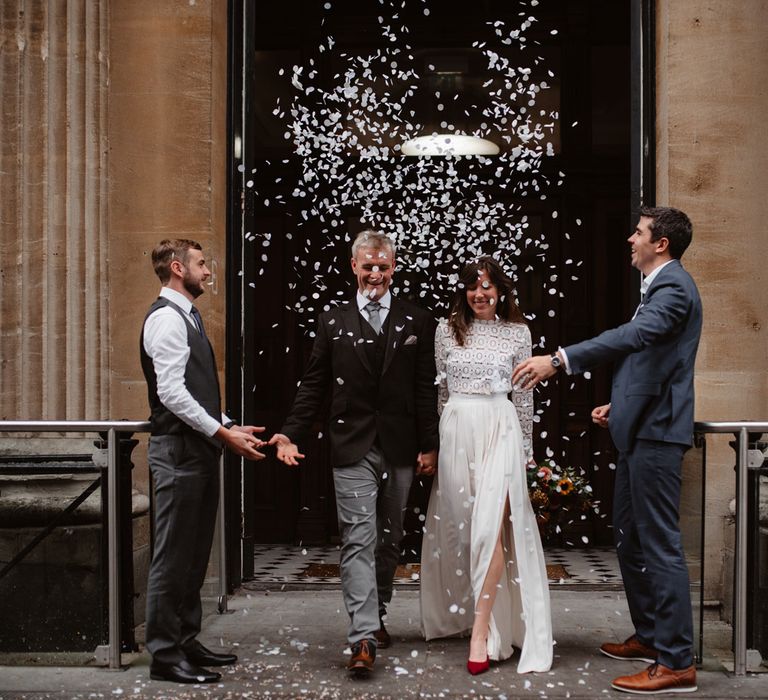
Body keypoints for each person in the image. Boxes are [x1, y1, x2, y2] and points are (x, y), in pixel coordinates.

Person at [512, 206, 702, 695]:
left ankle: (677, 660)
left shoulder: (674, 286)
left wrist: (561, 359)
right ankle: (651, 636)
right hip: (638, 425)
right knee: (631, 538)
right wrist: (620, 404)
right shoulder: (658, 287)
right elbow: (651, 359)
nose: (630, 239)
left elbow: (637, 337)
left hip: (658, 433)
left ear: (660, 244)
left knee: (658, 544)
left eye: (638, 233)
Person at [269, 229, 439, 677]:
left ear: (394, 267)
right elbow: (313, 385)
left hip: (401, 446)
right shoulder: (333, 321)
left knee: (390, 539)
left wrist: (431, 445)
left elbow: (425, 390)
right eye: (368, 266)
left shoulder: (418, 320)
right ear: (354, 267)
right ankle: (362, 636)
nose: (376, 274)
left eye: (383, 266)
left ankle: (377, 614)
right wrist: (290, 434)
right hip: (351, 447)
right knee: (358, 538)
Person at [140, 239, 266, 684]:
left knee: (193, 556)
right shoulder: (167, 321)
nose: (209, 271)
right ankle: (164, 654)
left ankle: (186, 639)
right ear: (178, 268)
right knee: (172, 556)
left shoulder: (187, 317)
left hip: (197, 450)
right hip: (177, 453)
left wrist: (229, 423)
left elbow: (194, 390)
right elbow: (172, 394)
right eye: (201, 263)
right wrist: (221, 432)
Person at [420, 256, 553, 676]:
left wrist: (528, 454)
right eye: (473, 286)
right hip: (457, 431)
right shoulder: (446, 331)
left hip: (501, 431)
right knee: (464, 530)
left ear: (501, 291)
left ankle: (481, 633)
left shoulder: (518, 332)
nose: (480, 294)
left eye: (488, 286)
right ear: (464, 291)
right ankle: (484, 618)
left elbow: (525, 396)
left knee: (488, 533)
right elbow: (440, 391)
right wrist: (438, 446)